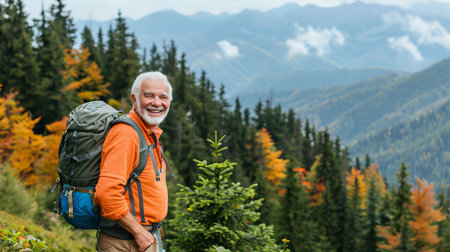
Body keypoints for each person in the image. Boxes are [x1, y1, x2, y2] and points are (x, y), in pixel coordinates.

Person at [95, 72, 172, 252]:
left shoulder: (148, 132)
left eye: (163, 97)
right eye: (148, 95)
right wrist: (137, 231)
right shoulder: (126, 134)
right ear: (134, 99)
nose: (157, 102)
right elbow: (106, 193)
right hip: (125, 242)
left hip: (144, 237)